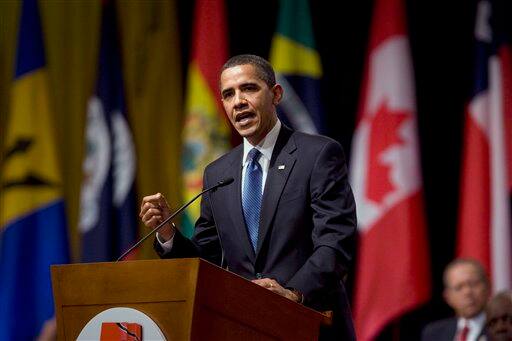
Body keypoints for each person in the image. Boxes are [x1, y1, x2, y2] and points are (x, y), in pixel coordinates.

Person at [139, 54, 357, 340]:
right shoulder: (218, 173)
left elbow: (335, 241)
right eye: (228, 94)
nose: (238, 101)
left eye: (249, 88)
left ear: (276, 94)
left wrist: (293, 292)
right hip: (243, 328)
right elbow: (206, 261)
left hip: (310, 324)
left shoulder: (317, 155)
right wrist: (167, 232)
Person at [422, 258, 490, 341]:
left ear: (487, 286)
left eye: (474, 284)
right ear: (447, 297)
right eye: (459, 287)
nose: (467, 292)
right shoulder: (434, 333)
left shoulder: (502, 330)